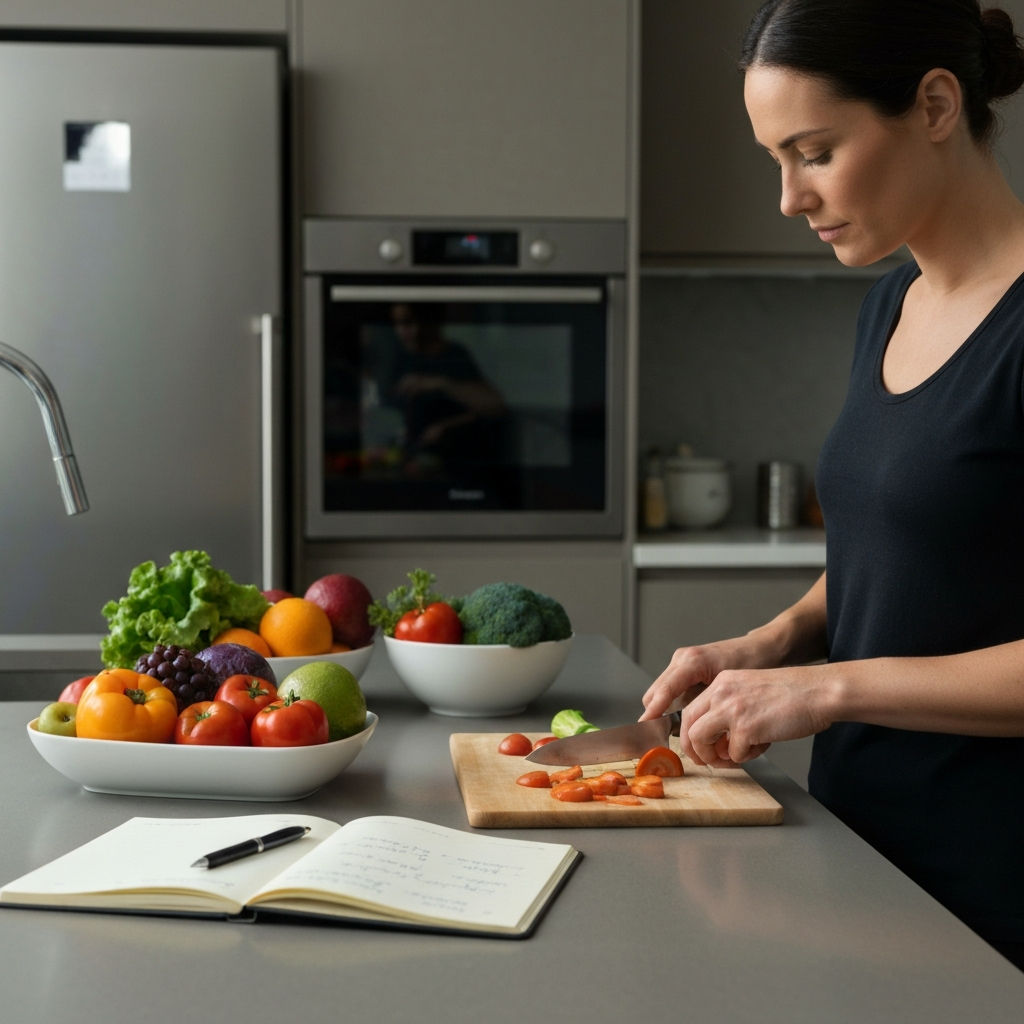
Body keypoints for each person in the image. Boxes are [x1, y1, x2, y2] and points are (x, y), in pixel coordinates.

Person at [640, 0, 1024, 969]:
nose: (788, 198)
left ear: (935, 105)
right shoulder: (890, 304)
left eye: (812, 151)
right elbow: (900, 551)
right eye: (776, 159)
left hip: (991, 886)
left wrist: (825, 689)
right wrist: (770, 640)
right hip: (858, 854)